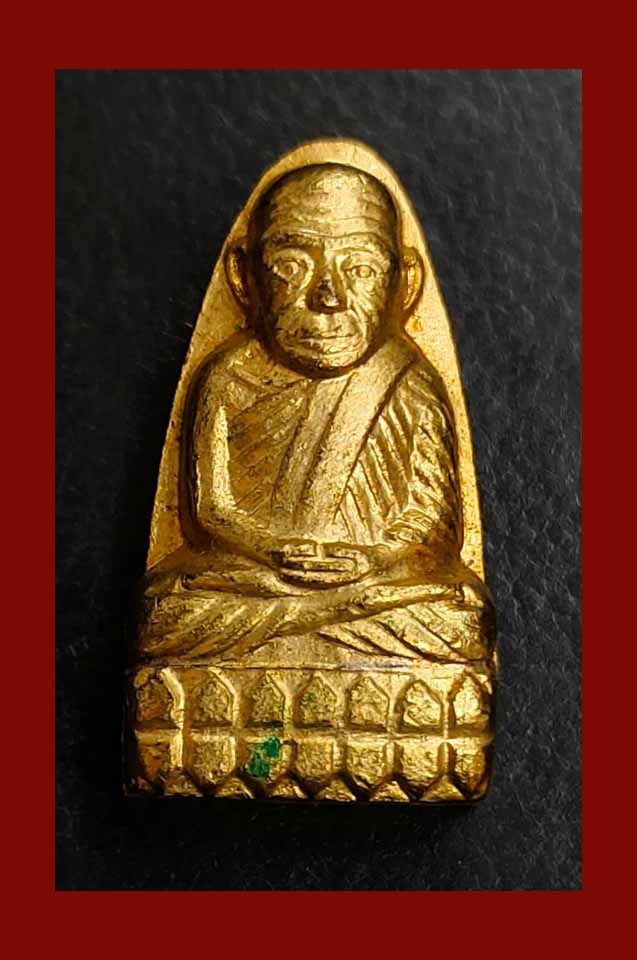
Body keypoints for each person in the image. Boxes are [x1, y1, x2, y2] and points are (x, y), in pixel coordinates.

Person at [137, 163, 495, 665]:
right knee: (166, 610)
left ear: (405, 282)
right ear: (244, 278)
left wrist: (373, 557)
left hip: (375, 586)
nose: (328, 297)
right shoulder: (227, 376)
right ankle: (324, 618)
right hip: (258, 577)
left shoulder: (409, 380)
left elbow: (431, 519)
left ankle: (328, 618)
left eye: (361, 269)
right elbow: (211, 512)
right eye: (291, 266)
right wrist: (271, 550)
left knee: (459, 613)